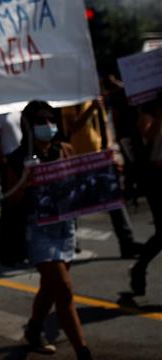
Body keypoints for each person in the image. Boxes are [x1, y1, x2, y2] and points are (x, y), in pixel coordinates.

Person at [4, 101, 111, 360]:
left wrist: (104, 173)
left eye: (50, 120)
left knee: (51, 287)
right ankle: (85, 358)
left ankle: (34, 328)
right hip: (37, 231)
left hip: (65, 228)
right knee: (63, 290)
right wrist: (25, 182)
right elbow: (10, 199)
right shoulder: (17, 159)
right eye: (41, 121)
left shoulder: (64, 150)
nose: (48, 125)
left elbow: (80, 184)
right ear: (29, 125)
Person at [60, 99, 143, 258]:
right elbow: (72, 127)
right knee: (74, 202)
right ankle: (71, 243)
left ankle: (127, 242)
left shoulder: (95, 98)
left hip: (100, 158)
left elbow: (106, 127)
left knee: (114, 201)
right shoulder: (70, 101)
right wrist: (91, 108)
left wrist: (111, 150)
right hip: (79, 159)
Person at [130, 92, 162, 295]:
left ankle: (139, 268)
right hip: (158, 178)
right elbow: (147, 137)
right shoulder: (147, 114)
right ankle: (139, 268)